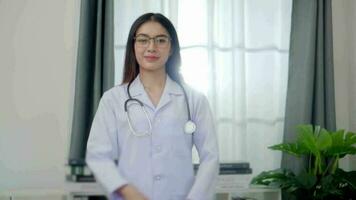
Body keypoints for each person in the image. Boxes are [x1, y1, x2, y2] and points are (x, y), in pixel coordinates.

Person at [85, 13, 219, 200]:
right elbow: (98, 156)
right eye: (143, 40)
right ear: (134, 46)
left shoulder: (194, 100)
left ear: (171, 48)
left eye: (160, 40)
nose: (151, 47)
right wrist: (129, 193)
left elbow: (210, 158)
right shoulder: (113, 99)